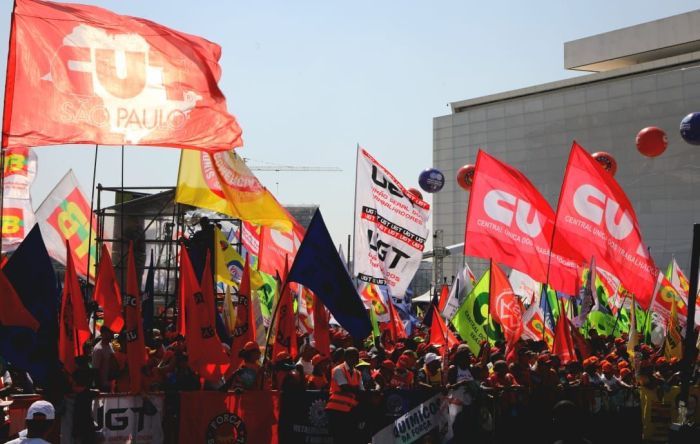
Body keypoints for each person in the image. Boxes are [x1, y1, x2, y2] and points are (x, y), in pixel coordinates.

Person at [326, 347, 363, 444]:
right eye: (353, 356)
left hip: (350, 410)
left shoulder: (358, 373)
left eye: (357, 357)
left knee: (349, 438)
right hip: (336, 410)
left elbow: (361, 391)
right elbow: (345, 388)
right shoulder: (338, 370)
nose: (356, 359)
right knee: (339, 438)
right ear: (346, 357)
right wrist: (356, 390)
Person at [91, 327, 117, 392]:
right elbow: (95, 370)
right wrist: (99, 389)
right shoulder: (98, 349)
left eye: (111, 332)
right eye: (108, 333)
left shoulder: (110, 345)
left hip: (111, 385)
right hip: (103, 387)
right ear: (103, 334)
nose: (110, 334)